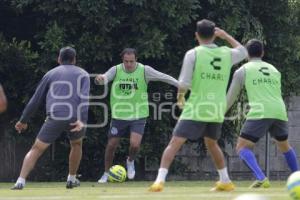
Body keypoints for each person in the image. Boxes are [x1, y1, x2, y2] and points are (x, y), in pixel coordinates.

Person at [149, 19, 248, 192]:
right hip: (217, 109)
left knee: (174, 143)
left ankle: (159, 181)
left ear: (196, 35)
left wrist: (180, 98)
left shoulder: (193, 53)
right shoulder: (226, 53)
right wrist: (225, 36)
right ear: (214, 34)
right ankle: (225, 180)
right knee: (212, 144)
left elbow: (184, 83)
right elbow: (244, 51)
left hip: (196, 107)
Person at [95, 48, 178, 183]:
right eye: (126, 61)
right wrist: (100, 79)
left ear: (136, 59)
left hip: (138, 114)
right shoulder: (116, 70)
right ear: (122, 60)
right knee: (111, 145)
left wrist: (180, 84)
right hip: (119, 115)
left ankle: (130, 161)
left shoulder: (144, 70)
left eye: (131, 61)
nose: (128, 64)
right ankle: (106, 173)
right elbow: (104, 79)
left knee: (134, 144)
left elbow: (164, 77)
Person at [12, 47, 90, 190]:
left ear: (59, 59)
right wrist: (82, 120)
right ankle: (71, 179)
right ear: (74, 59)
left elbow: (35, 100)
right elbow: (84, 99)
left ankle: (20, 181)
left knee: (37, 148)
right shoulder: (83, 74)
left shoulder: (50, 74)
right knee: (76, 144)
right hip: (74, 117)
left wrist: (23, 120)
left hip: (55, 115)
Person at [226, 39, 298, 188]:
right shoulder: (274, 70)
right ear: (263, 53)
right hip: (279, 110)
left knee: (242, 147)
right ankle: (298, 176)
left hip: (260, 111)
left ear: (247, 54)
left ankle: (261, 178)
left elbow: (231, 97)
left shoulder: (243, 70)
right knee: (285, 146)